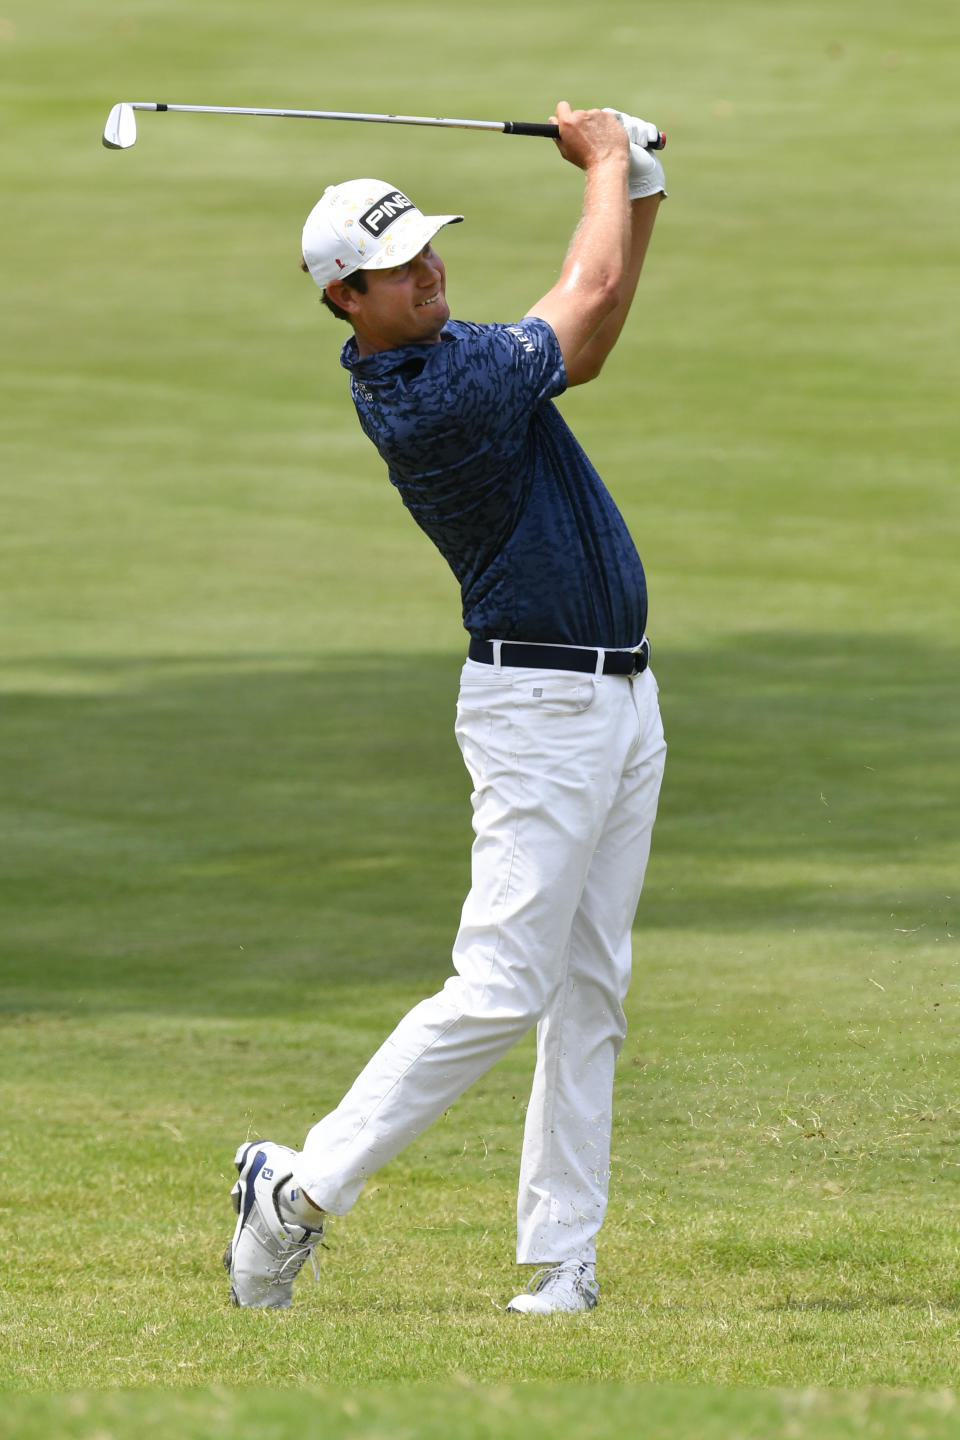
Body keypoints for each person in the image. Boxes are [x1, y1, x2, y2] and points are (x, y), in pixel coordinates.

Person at [224, 102, 668, 1315]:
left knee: (591, 989)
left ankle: (560, 1258)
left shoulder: (452, 347)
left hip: (622, 699)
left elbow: (594, 333)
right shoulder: (429, 390)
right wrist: (607, 168)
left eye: (424, 248)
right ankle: (301, 1192)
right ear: (343, 304)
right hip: (540, 708)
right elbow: (578, 301)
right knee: (504, 987)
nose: (425, 272)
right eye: (392, 269)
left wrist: (643, 189)